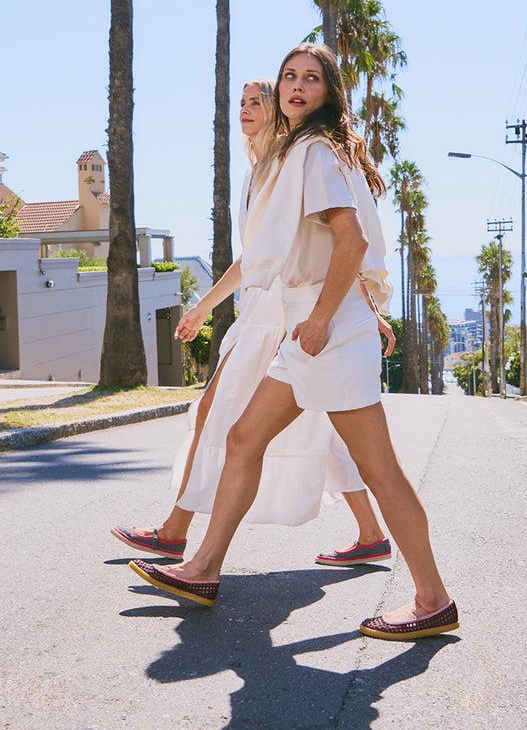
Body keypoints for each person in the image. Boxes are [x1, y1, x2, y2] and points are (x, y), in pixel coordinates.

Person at [129, 46, 458, 641]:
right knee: (243, 436)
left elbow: (351, 242)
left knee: (379, 468)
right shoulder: (305, 152)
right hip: (312, 328)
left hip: (323, 330)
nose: (296, 86)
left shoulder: (312, 153)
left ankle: (432, 597)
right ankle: (203, 567)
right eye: (289, 76)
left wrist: (323, 318)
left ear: (329, 92)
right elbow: (285, 254)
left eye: (311, 78)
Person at [112, 77, 394, 566]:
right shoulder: (258, 171)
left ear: (277, 111)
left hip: (281, 317)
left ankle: (177, 532)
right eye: (240, 103)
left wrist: (363, 308)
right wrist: (205, 306)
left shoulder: (291, 162)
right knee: (315, 422)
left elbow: (337, 244)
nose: (245, 110)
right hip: (266, 314)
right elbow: (254, 257)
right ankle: (371, 532)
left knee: (218, 417)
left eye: (255, 102)